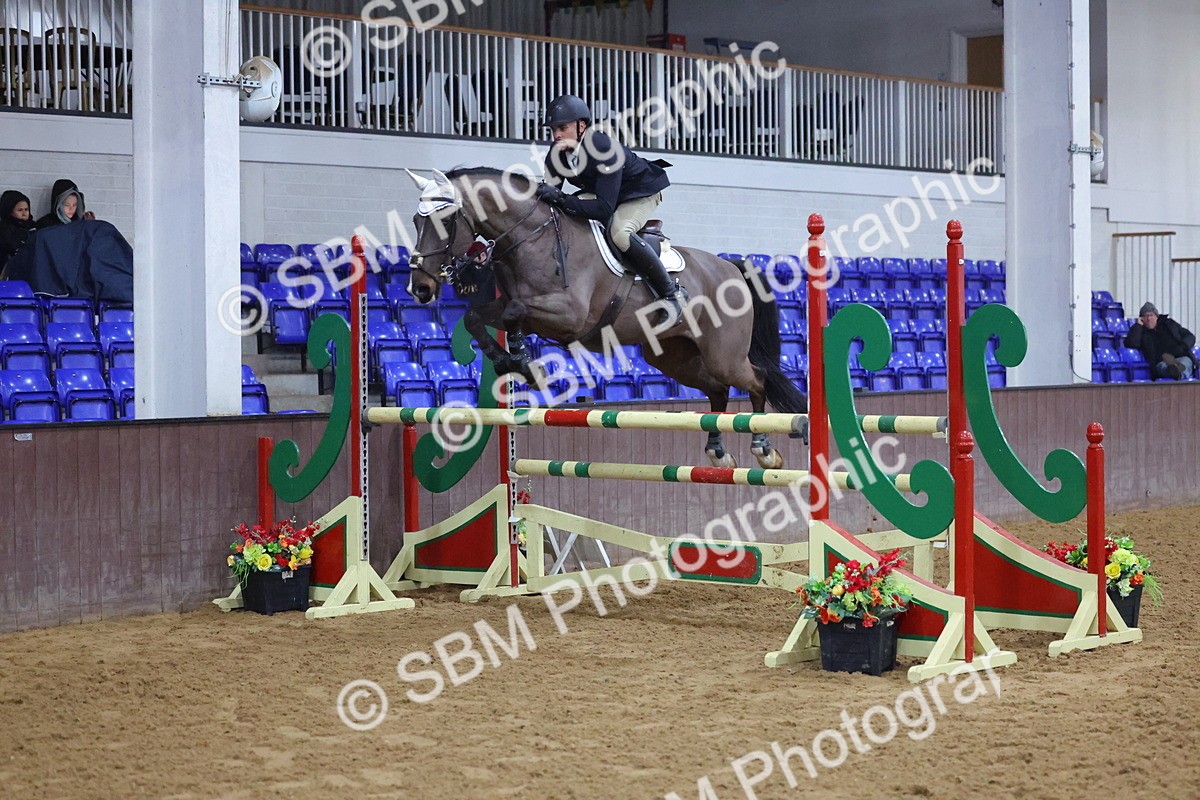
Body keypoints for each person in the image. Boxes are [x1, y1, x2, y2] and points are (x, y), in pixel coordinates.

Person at [534, 94, 688, 328]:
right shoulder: (556, 154)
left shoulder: (603, 148)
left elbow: (604, 209)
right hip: (606, 193)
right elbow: (551, 201)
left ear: (581, 126)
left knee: (619, 233)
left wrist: (563, 199)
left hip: (640, 192)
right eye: (553, 129)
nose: (556, 135)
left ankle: (671, 294)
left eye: (562, 128)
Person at [1124, 302, 1195, 380]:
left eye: (1151, 315)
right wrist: (1138, 326)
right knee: (1164, 367)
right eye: (1145, 316)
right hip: (1160, 362)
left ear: (1156, 316)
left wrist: (1183, 346)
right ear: (1142, 319)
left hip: (1179, 357)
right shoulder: (1140, 331)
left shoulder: (1169, 324)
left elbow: (1190, 336)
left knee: (1186, 361)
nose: (1148, 318)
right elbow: (1132, 344)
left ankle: (1177, 373)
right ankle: (1176, 373)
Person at [0, 190, 36, 277]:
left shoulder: (34, 226)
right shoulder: (4, 230)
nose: (24, 213)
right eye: (20, 210)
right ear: (10, 211)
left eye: (26, 209)